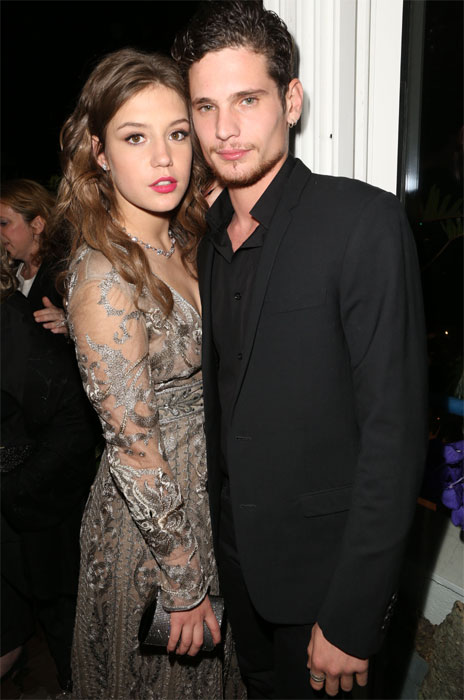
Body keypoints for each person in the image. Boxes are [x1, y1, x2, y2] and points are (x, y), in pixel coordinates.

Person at [172, 2, 428, 698]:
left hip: (325, 587)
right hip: (242, 577)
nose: (224, 130)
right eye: (205, 107)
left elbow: (394, 435)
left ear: (291, 100)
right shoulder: (207, 240)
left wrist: (351, 617)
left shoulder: (362, 223)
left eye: (247, 100)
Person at [54, 47, 244, 699]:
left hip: (214, 508)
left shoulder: (185, 238)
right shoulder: (104, 277)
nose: (164, 159)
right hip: (153, 538)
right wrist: (185, 583)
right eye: (136, 137)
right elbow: (136, 457)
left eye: (178, 134)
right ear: (99, 152)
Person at [0, 244, 99, 692]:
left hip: (34, 508)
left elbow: (74, 423)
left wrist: (16, 485)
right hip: (16, 509)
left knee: (60, 619)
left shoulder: (17, 325)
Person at [0, 179, 69, 335]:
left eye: (3, 223)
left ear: (37, 225)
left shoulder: (65, 273)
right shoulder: (10, 270)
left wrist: (71, 325)